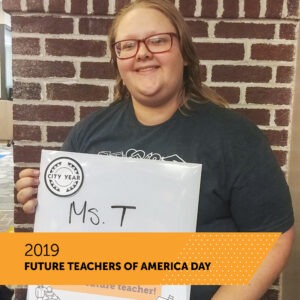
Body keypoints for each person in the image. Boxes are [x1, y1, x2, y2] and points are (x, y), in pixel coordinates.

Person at [15, 0, 294, 299]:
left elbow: (273, 238)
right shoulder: (88, 134)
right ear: (118, 63)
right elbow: (73, 236)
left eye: (158, 40)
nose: (143, 53)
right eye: (127, 45)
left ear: (184, 54)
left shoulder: (235, 137)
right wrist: (47, 203)